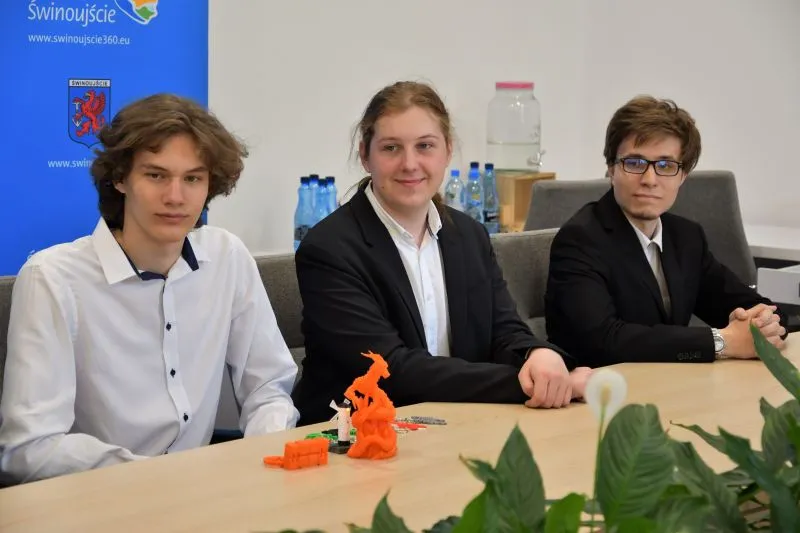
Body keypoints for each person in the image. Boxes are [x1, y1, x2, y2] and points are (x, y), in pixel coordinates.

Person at [0, 94, 299, 483]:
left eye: (192, 179)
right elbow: (28, 449)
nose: (175, 197)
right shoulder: (53, 279)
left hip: (208, 492)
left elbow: (268, 387)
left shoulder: (228, 256)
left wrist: (260, 458)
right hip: (99, 497)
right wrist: (161, 478)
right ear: (120, 178)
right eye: (156, 176)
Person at [292, 81, 591, 425]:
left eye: (425, 146)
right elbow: (392, 371)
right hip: (352, 437)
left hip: (455, 425)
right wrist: (527, 385)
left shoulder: (468, 235)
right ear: (365, 155)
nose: (410, 163)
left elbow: (504, 331)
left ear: (447, 151)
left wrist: (537, 354)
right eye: (391, 148)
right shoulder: (329, 249)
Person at [545, 95, 787, 368]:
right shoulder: (581, 240)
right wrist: (722, 341)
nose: (649, 180)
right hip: (601, 388)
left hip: (671, 383)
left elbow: (748, 303)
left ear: (683, 176)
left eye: (665, 166)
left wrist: (765, 322)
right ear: (611, 169)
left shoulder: (686, 237)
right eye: (634, 163)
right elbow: (603, 340)